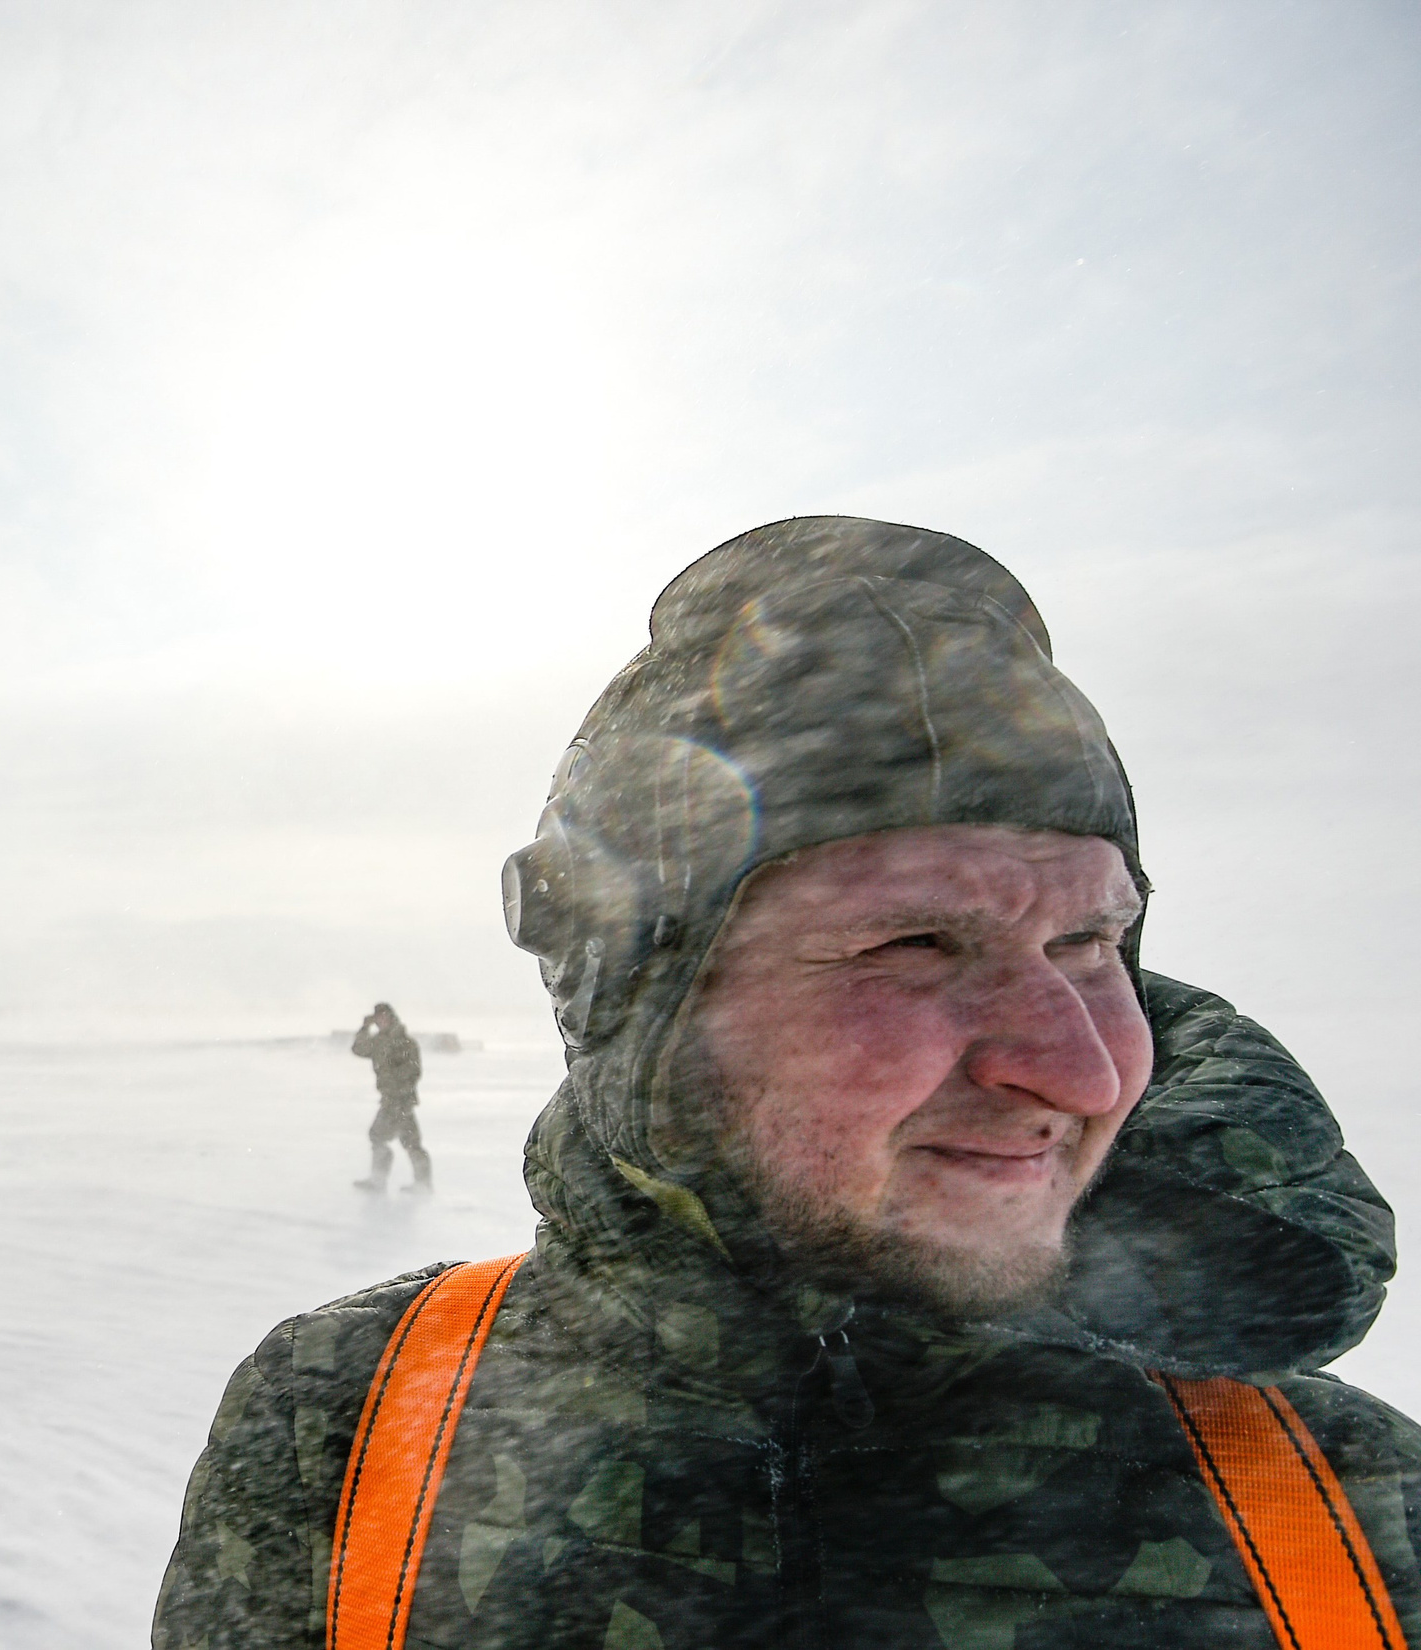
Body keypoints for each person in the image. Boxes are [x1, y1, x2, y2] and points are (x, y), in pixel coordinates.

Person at [153, 518, 1413, 1648]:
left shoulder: (1356, 1517)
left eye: (1087, 944)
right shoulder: (352, 1429)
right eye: (913, 944)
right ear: (640, 1002)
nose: (1079, 1067)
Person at [351, 1002, 431, 1193]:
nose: (381, 1021)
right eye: (377, 1018)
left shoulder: (405, 1042)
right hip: (390, 1099)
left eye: (384, 1017)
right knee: (405, 1140)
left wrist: (395, 1085)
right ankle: (418, 1183)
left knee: (383, 1136)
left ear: (392, 1017)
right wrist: (364, 1027)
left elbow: (413, 1070)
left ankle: (385, 1181)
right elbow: (358, 1049)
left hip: (400, 1100)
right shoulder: (379, 1041)